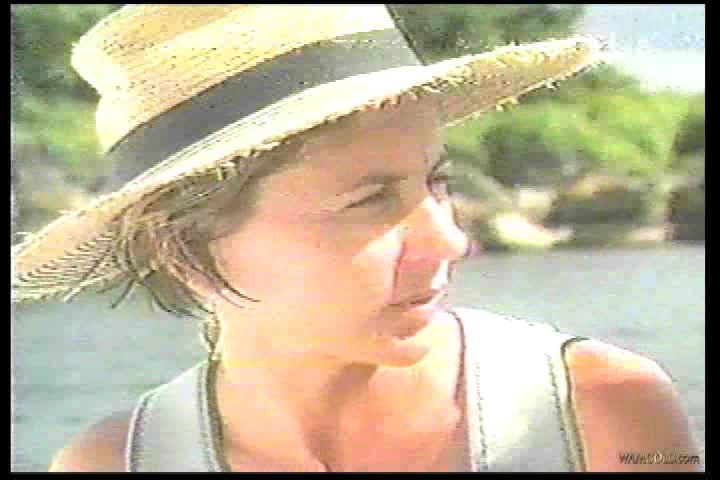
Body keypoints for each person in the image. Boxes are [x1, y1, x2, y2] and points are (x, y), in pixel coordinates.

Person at [12, 5, 700, 472]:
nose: (450, 240)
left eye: (436, 181)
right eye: (371, 200)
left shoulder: (601, 409)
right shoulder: (115, 463)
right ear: (185, 250)